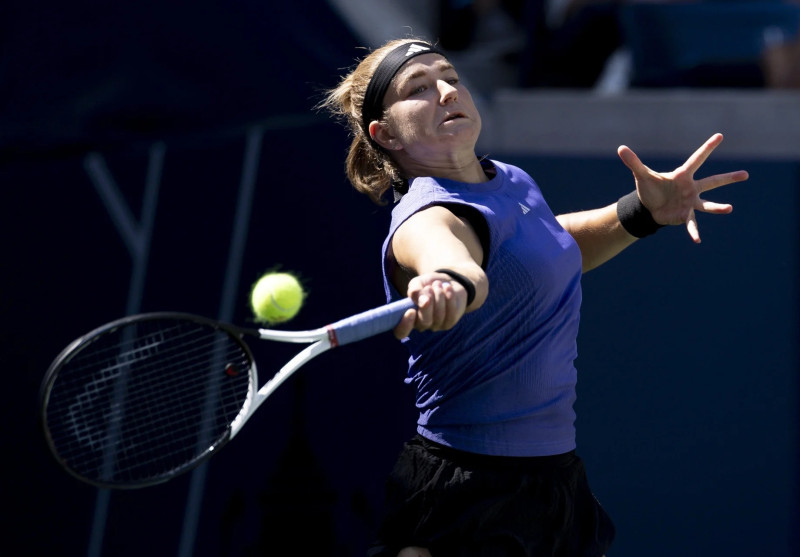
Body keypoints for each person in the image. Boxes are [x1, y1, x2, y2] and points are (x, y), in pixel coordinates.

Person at [320, 38, 749, 557]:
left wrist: (641, 212)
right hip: (466, 491)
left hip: (555, 481)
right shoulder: (426, 216)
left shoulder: (510, 181)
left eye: (450, 78)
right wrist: (445, 282)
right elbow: (455, 262)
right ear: (385, 134)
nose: (445, 92)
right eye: (418, 88)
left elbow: (544, 249)